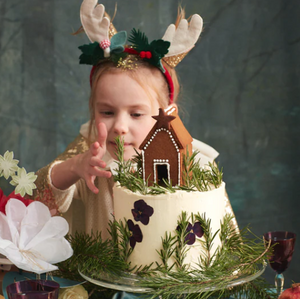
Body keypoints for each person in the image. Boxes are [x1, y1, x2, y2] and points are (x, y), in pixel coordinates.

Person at [33, 0, 238, 237]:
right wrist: (73, 167)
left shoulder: (193, 164)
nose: (119, 127)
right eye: (107, 112)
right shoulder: (91, 154)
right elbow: (39, 197)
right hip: (98, 271)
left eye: (136, 114)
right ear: (93, 108)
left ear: (167, 115)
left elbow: (224, 238)